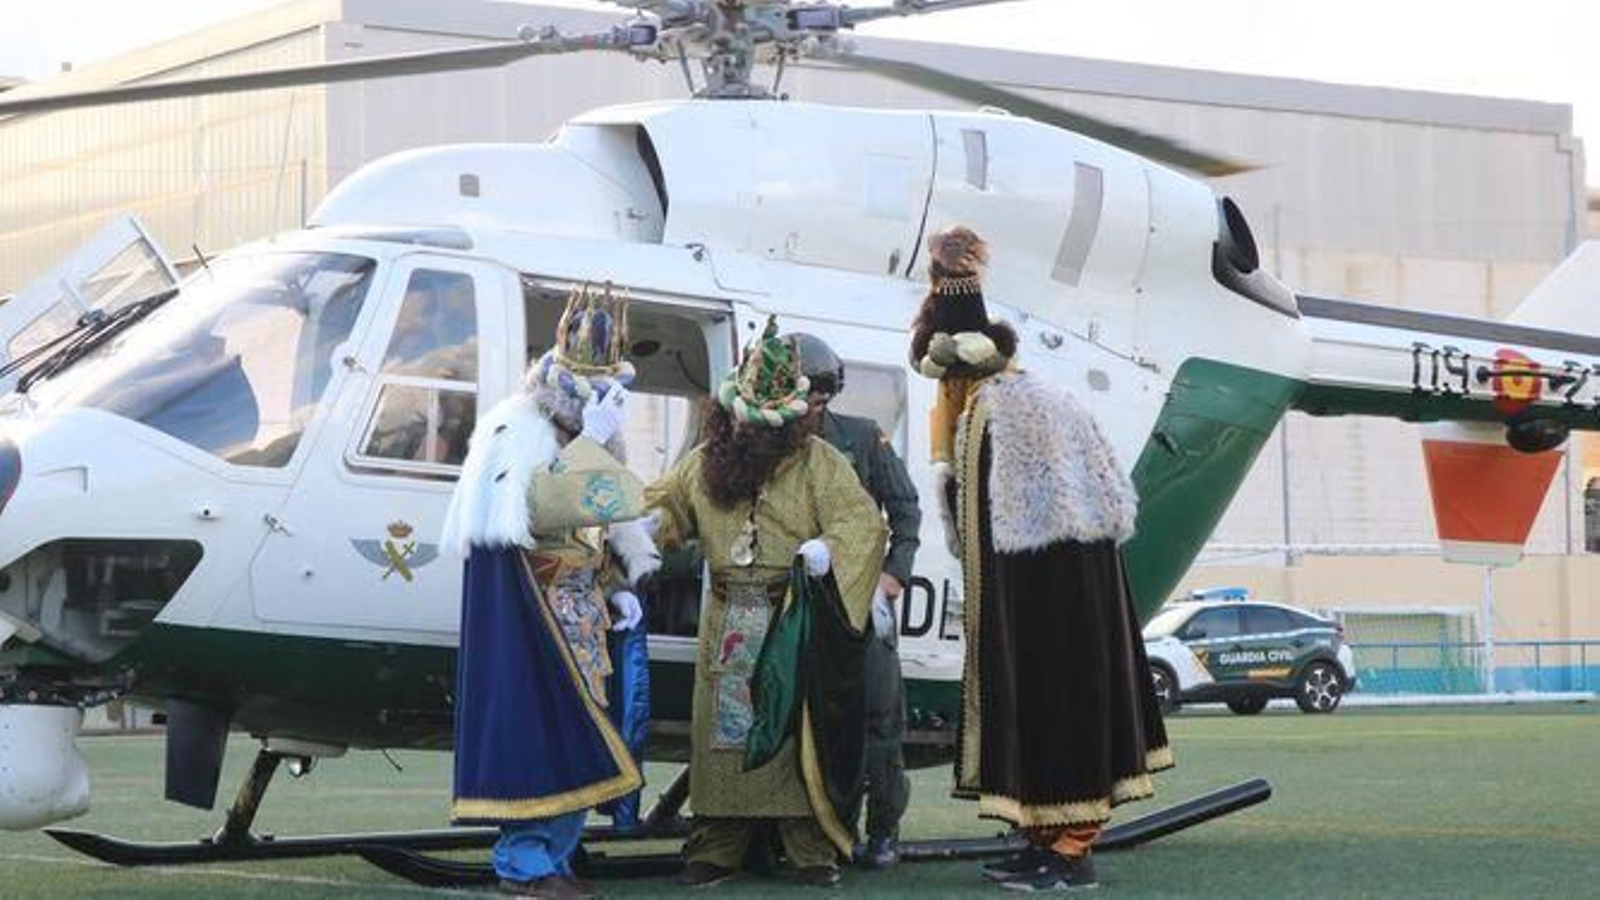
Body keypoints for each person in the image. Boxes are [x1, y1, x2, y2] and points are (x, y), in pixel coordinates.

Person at [909, 227, 1172, 893]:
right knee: (1031, 708)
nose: (940, 398)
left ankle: (1072, 853)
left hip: (1057, 603)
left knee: (1062, 705)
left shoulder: (1022, 408)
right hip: (1025, 599)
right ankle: (1042, 840)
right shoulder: (992, 407)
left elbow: (1063, 519)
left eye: (944, 382)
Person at [646, 317, 887, 888]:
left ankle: (809, 848)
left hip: (793, 620)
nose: (754, 432)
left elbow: (862, 523)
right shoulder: (706, 461)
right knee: (725, 739)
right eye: (746, 420)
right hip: (728, 619)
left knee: (792, 734)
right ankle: (717, 845)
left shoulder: (820, 462)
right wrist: (642, 530)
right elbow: (667, 506)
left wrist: (827, 550)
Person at [440, 284, 660, 899]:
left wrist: (616, 584)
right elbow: (537, 508)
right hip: (532, 613)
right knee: (535, 731)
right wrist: (590, 443)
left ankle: (556, 857)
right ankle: (524, 862)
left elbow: (600, 519)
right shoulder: (514, 427)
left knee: (579, 734)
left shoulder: (590, 434)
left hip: (583, 612)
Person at [788, 332, 921, 870]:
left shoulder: (862, 438)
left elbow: (905, 509)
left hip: (862, 599)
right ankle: (822, 829)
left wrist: (894, 575)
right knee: (808, 720)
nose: (814, 410)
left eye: (821, 400)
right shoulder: (769, 443)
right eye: (807, 400)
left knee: (879, 718)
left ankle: (884, 828)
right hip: (800, 603)